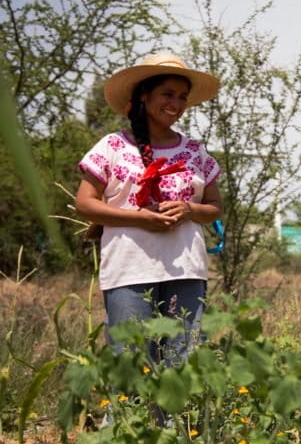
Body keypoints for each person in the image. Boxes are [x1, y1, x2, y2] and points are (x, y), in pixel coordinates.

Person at [75, 53, 223, 363]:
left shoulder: (194, 150)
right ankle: (125, 415)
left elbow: (214, 207)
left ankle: (174, 416)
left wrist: (189, 210)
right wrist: (139, 219)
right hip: (129, 269)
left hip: (186, 269)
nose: (177, 103)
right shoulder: (114, 146)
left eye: (182, 97)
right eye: (167, 94)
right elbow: (85, 204)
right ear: (144, 96)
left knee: (181, 363)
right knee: (131, 363)